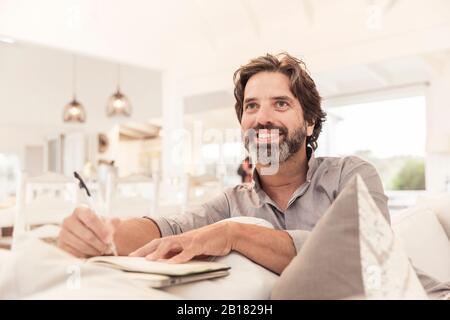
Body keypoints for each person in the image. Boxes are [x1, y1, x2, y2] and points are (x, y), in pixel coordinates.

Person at [58, 53, 448, 297]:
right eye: (251, 106)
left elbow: (361, 258)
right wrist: (104, 235)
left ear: (310, 122)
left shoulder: (351, 175)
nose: (262, 117)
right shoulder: (232, 203)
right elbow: (170, 227)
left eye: (281, 104)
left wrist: (235, 233)